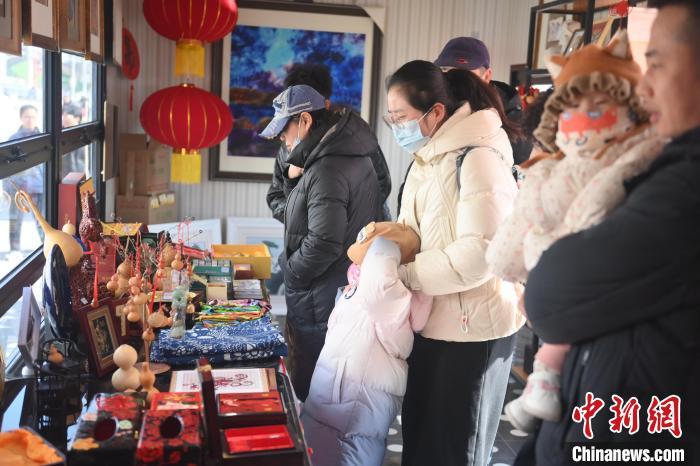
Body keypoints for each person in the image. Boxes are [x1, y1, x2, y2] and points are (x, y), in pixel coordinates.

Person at [514, 1, 700, 464]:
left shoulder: (686, 188)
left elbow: (550, 295)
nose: (644, 86)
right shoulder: (666, 166)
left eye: (656, 63)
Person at [486, 32, 665, 432]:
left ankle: (545, 383)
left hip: (587, 292)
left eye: (598, 108)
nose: (583, 120)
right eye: (571, 110)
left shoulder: (641, 157)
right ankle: (544, 384)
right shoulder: (550, 164)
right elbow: (519, 231)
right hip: (555, 283)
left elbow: (593, 216)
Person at [386, 60, 525, 466]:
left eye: (401, 117)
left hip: (473, 331)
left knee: (453, 449)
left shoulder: (478, 157)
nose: (396, 127)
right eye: (390, 118)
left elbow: (481, 254)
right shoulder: (428, 158)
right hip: (435, 319)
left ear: (435, 113)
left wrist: (405, 275)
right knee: (422, 440)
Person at [259, 85, 381, 402]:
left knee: (314, 393)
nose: (282, 139)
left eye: (284, 129)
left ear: (305, 121)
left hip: (321, 295)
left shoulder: (327, 167)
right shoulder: (341, 155)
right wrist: (292, 180)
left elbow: (323, 243)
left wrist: (291, 272)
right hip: (338, 287)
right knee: (331, 392)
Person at [301, 222, 431, 466]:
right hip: (331, 408)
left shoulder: (391, 303)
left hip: (348, 423)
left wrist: (386, 241)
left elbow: (380, 278)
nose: (357, 264)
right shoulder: (361, 291)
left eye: (365, 257)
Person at [397, 37, 528, 215]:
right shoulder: (440, 113)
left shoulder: (512, 129)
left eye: (464, 74)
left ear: (487, 76)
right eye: (445, 72)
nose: (453, 81)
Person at [266, 63, 391, 224]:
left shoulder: (355, 138)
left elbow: (382, 185)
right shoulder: (287, 147)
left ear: (326, 104)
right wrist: (307, 217)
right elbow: (275, 197)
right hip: (308, 234)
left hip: (362, 233)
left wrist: (335, 216)